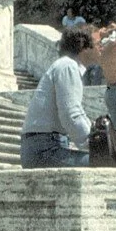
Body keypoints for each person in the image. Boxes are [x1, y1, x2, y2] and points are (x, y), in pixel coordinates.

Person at [20, 25, 100, 168]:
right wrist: (95, 144)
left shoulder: (65, 66)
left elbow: (76, 112)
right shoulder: (67, 66)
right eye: (98, 44)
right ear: (84, 47)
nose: (102, 48)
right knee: (104, 164)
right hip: (45, 150)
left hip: (44, 146)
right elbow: (71, 114)